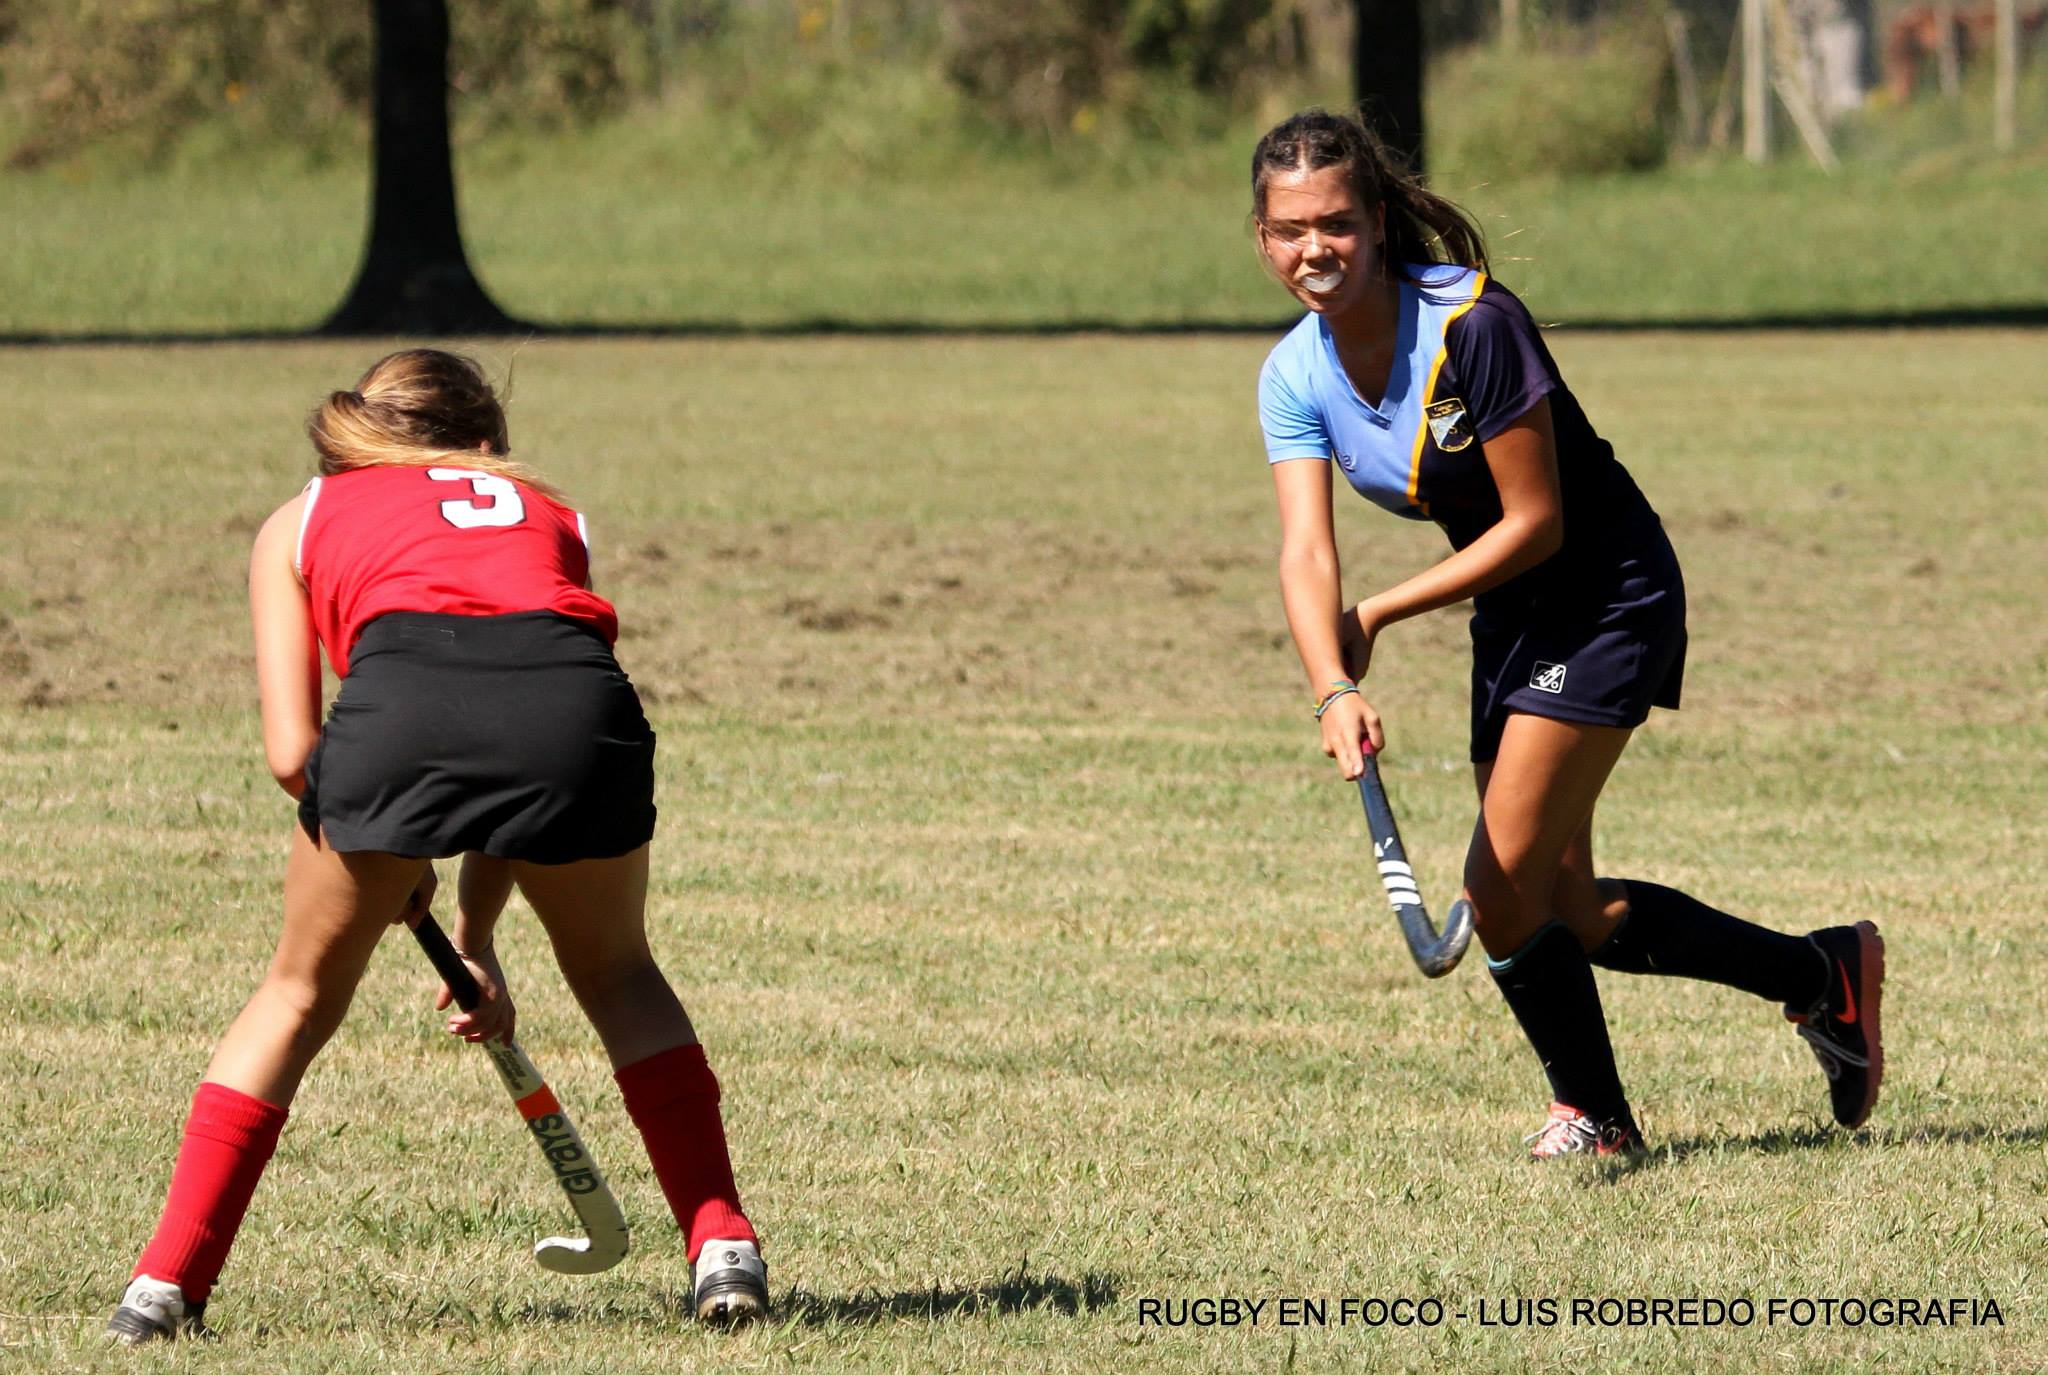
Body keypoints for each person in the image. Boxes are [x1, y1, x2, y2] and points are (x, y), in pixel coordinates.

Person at [1251, 110, 1884, 1158]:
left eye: (1334, 224)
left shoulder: (1474, 325)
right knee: (1568, 909)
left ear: (1376, 219)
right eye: (1286, 230)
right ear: (1260, 237)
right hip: (1511, 612)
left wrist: (1376, 615)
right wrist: (1332, 686)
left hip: (1603, 593)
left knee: (1497, 893)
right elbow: (1303, 554)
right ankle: (1819, 975)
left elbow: (1534, 521)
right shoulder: (1291, 374)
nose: (1312, 250)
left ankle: (1594, 1120)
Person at [106, 349, 769, 1342]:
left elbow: (295, 753)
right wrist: (471, 923)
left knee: (293, 995)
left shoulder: (301, 520)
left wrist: (393, 853)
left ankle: (164, 1287)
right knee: (620, 972)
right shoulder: (547, 507)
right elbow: (520, 734)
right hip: (576, 722)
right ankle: (722, 1242)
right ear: (485, 436)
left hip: (396, 719)